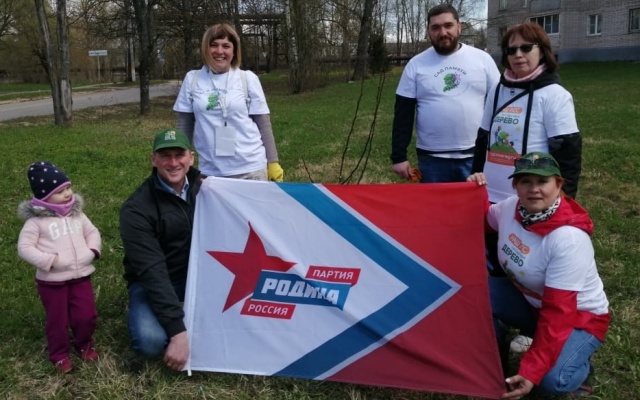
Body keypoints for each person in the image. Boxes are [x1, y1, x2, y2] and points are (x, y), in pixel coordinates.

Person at [468, 152, 610, 399]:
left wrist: (532, 370)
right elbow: (480, 220)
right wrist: (473, 192)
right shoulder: (510, 207)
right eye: (526, 181)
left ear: (559, 185)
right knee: (473, 294)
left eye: (543, 181)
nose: (534, 189)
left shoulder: (569, 239)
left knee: (550, 381)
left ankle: (580, 369)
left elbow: (559, 313)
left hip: (579, 318)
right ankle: (494, 358)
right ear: (515, 185)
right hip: (531, 302)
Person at [120, 128, 205, 371]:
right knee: (151, 341)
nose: (173, 163)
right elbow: (151, 270)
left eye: (179, 155)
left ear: (191, 157)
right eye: (165, 156)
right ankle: (160, 310)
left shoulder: (208, 190)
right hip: (156, 280)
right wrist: (177, 333)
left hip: (200, 276)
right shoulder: (136, 209)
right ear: (153, 159)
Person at [471, 22, 582, 202]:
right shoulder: (497, 89)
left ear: (542, 51)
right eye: (511, 50)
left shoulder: (555, 94)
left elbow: (568, 154)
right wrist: (475, 176)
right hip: (489, 193)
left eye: (526, 48)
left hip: (531, 200)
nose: (518, 55)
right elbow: (483, 138)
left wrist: (565, 200)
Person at [390, 4, 500, 183]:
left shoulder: (483, 60)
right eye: (435, 27)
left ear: (459, 26)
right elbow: (403, 113)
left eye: (448, 25)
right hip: (432, 159)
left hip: (476, 156)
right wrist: (398, 156)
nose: (443, 33)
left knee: (476, 202)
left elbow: (500, 105)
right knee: (434, 203)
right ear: (428, 31)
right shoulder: (416, 65)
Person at [17, 161, 101, 373]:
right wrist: (49, 261)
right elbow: (24, 248)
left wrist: (92, 251)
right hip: (52, 282)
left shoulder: (78, 215)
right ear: (44, 197)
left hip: (81, 276)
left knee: (86, 315)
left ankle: (84, 344)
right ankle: (59, 354)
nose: (67, 194)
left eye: (68, 187)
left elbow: (92, 232)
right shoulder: (35, 223)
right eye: (60, 191)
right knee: (57, 320)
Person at [173, 22, 284, 182]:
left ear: (234, 51)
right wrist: (179, 161)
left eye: (226, 46)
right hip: (210, 173)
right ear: (205, 49)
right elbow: (184, 126)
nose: (220, 51)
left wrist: (273, 162)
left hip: (251, 170)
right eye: (214, 45)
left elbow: (263, 123)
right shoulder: (192, 79)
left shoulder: (248, 78)